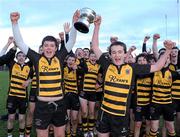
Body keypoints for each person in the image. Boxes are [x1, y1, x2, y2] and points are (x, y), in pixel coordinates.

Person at [91, 15, 174, 137]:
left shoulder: (133, 68)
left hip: (121, 117)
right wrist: (97, 27)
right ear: (110, 54)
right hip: (104, 114)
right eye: (113, 52)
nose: (117, 55)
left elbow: (157, 67)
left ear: (125, 54)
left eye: (120, 52)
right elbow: (95, 47)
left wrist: (167, 51)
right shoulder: (106, 64)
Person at [10, 10, 79, 137]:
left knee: (59, 135)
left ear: (56, 47)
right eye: (46, 45)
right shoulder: (37, 58)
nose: (48, 48)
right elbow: (20, 43)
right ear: (42, 47)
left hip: (60, 104)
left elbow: (72, 42)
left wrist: (75, 24)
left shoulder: (60, 57)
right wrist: (14, 23)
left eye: (52, 46)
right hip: (42, 105)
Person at [6, 51, 32, 137]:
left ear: (26, 58)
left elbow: (33, 76)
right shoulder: (12, 64)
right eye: (19, 56)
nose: (21, 57)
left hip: (23, 97)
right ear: (16, 57)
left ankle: (21, 135)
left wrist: (28, 81)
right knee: (11, 117)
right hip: (12, 96)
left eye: (23, 56)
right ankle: (9, 135)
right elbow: (8, 56)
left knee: (21, 119)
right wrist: (14, 46)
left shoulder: (29, 67)